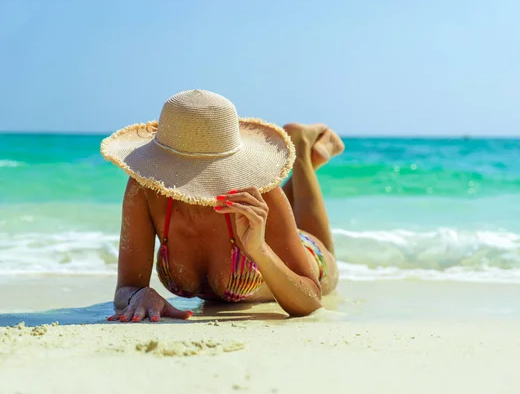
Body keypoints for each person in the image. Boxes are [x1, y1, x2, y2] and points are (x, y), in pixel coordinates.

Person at [100, 89, 344, 321]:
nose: (185, 178)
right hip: (270, 229)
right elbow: (126, 288)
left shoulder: (260, 190)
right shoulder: (146, 188)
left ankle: (302, 152)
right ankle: (307, 161)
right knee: (282, 218)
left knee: (323, 252)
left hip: (309, 257)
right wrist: (139, 295)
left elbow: (311, 300)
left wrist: (260, 250)